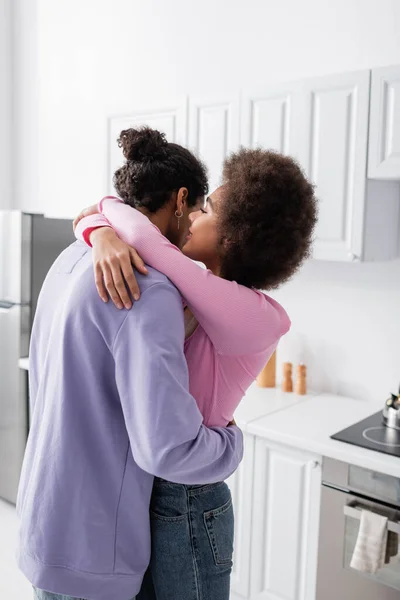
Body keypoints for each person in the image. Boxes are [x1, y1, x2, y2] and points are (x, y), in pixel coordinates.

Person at [74, 127, 318, 599]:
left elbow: (148, 240)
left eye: (207, 210)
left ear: (232, 237)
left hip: (190, 495)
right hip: (157, 482)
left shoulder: (256, 315)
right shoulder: (193, 294)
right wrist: (98, 231)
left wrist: (103, 218)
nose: (193, 215)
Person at [16, 128, 245, 600]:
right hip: (95, 547)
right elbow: (169, 449)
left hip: (44, 520)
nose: (200, 220)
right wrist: (231, 444)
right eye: (201, 207)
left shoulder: (72, 256)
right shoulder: (146, 287)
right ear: (181, 200)